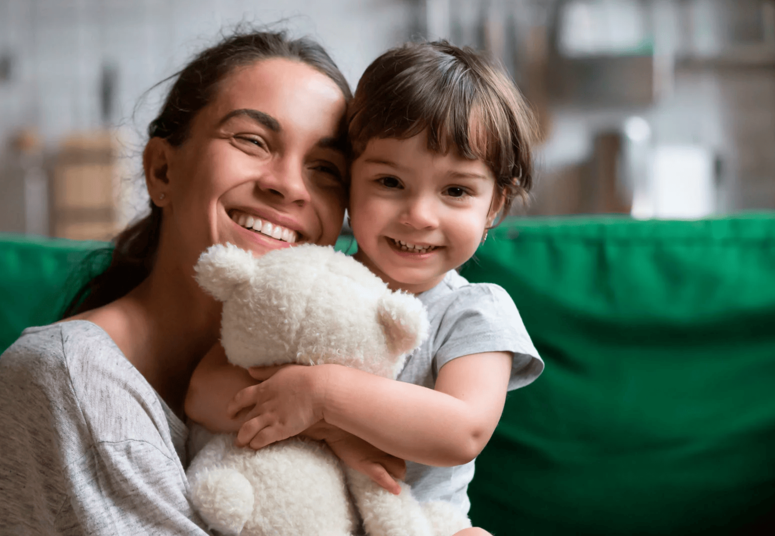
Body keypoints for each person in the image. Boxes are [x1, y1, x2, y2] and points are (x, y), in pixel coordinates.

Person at [0, 29, 360, 535]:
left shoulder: (319, 386)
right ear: (162, 170)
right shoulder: (73, 379)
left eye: (326, 168)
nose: (288, 185)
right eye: (252, 140)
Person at [186, 41, 545, 534]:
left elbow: (462, 430)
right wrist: (335, 435)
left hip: (421, 523)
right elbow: (204, 391)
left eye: (456, 191)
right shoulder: (305, 279)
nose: (419, 215)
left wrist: (326, 396)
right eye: (390, 182)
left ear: (494, 207)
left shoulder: (473, 310)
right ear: (351, 183)